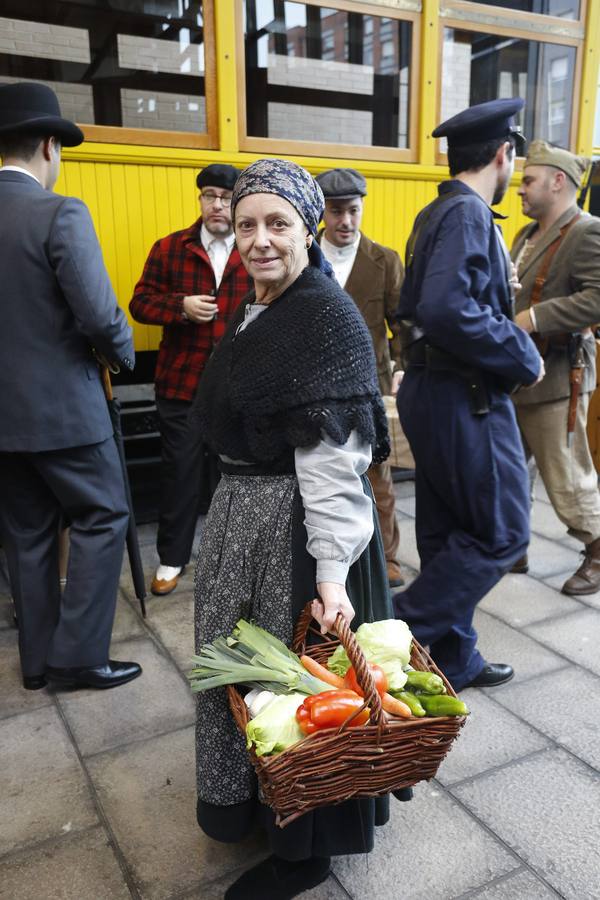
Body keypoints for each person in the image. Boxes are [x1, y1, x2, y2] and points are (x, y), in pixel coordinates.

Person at [191, 158, 408, 899]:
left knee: (296, 685)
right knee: (250, 685)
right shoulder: (261, 302)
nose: (258, 239)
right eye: (247, 223)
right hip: (245, 521)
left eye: (277, 223)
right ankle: (260, 799)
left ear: (307, 229)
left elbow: (332, 465)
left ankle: (306, 850)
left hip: (297, 533)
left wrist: (329, 575)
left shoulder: (324, 318)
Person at [393, 98, 544, 692]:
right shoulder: (468, 215)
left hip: (435, 389)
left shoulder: (436, 213)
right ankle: (393, 634)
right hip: (463, 394)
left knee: (446, 532)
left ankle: (454, 660)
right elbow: (445, 306)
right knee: (502, 533)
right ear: (503, 154)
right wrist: (521, 353)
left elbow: (423, 309)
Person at [0, 81, 141, 690]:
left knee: (26, 534)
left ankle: (36, 663)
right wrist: (123, 355)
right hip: (66, 412)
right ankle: (78, 658)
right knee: (103, 515)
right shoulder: (59, 213)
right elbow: (101, 315)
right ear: (51, 146)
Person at [130, 164, 252, 597]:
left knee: (232, 479)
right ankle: (172, 558)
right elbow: (140, 303)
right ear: (199, 199)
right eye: (209, 196)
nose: (217, 204)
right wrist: (179, 307)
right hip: (180, 385)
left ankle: (227, 564)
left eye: (225, 196)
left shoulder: (254, 247)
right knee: (178, 474)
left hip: (236, 390)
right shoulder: (170, 248)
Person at [511, 141, 600, 594]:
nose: (520, 189)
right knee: (510, 470)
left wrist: (534, 318)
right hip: (521, 377)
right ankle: (514, 546)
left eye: (529, 180)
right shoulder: (526, 237)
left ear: (558, 181)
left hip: (561, 377)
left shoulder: (587, 231)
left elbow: (598, 297)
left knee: (565, 473)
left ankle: (598, 548)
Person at [316, 167, 405, 588]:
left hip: (370, 385)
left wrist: (403, 368)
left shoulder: (384, 261)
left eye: (353, 211)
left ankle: (388, 557)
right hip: (315, 386)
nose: (346, 222)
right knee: (317, 473)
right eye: (336, 212)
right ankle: (325, 561)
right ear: (323, 212)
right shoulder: (303, 255)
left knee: (378, 473)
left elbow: (401, 323)